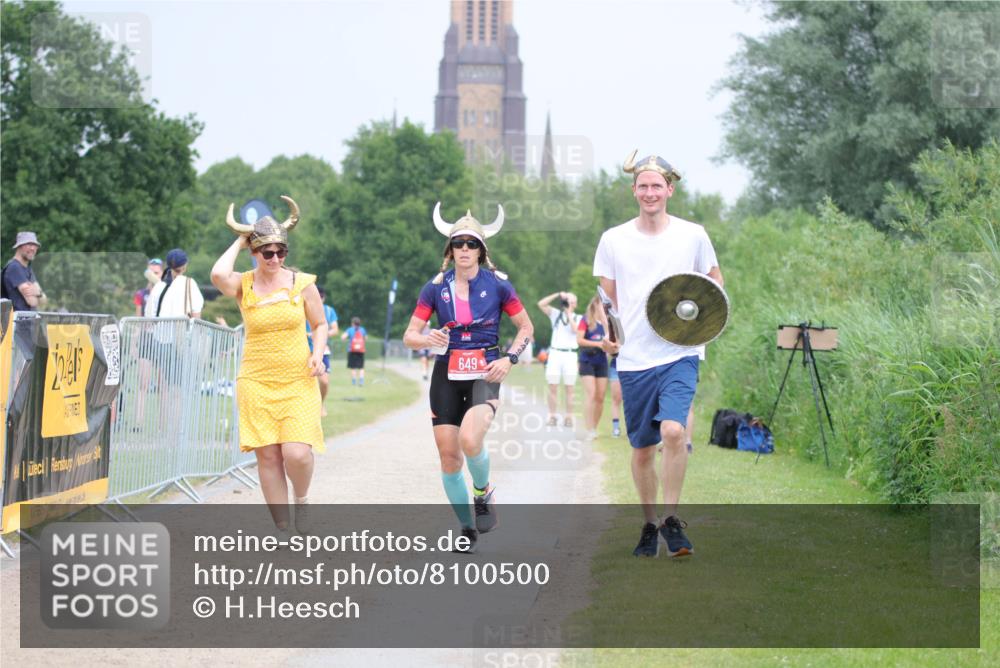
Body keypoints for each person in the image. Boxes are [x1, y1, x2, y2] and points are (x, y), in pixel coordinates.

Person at [593, 151, 723, 558]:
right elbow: (605, 301)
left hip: (680, 350)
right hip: (633, 359)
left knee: (674, 431)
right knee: (643, 448)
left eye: (657, 186)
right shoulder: (614, 239)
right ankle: (649, 524)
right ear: (635, 191)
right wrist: (609, 337)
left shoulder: (693, 235)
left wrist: (704, 324)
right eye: (643, 186)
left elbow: (714, 286)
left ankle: (671, 520)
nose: (650, 193)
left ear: (670, 189)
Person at [403, 203, 533, 553]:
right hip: (446, 373)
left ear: (481, 250)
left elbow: (526, 327)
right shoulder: (434, 288)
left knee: (471, 441)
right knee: (448, 457)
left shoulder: (499, 285)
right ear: (450, 250)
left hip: (485, 370)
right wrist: (426, 338)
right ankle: (466, 528)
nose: (464, 249)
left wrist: (510, 358)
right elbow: (410, 335)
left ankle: (482, 491)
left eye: (471, 243)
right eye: (458, 243)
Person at [212, 196, 326, 536]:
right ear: (254, 252)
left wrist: (317, 353)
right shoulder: (243, 284)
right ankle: (282, 530)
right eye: (267, 252)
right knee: (268, 458)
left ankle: (301, 499)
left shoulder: (302, 284)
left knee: (297, 454)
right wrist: (242, 236)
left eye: (281, 252)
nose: (275, 258)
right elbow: (218, 272)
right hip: (257, 381)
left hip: (297, 379)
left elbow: (319, 324)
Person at [537, 290, 580, 427]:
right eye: (567, 301)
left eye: (571, 301)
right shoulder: (556, 315)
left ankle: (569, 416)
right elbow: (541, 304)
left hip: (570, 354)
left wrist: (568, 313)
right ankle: (552, 415)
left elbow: (575, 330)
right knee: (553, 386)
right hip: (555, 353)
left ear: (575, 304)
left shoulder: (579, 318)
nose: (568, 304)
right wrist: (557, 295)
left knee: (570, 387)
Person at [576, 295, 609, 440]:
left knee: (600, 397)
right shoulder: (585, 320)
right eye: (602, 304)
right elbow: (579, 340)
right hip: (587, 360)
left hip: (601, 361)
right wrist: (597, 344)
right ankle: (589, 429)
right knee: (591, 393)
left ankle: (594, 428)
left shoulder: (606, 323)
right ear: (595, 304)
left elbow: (611, 339)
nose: (604, 307)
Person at [145, 249, 203, 320]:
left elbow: (149, 316)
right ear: (185, 266)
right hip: (182, 330)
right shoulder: (190, 284)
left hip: (160, 330)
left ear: (168, 265)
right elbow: (196, 316)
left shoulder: (158, 286)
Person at [307, 286, 339, 416]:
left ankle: (321, 404)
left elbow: (335, 329)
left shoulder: (329, 311)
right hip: (303, 349)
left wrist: (320, 334)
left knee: (324, 382)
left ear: (324, 298)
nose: (318, 300)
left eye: (321, 298)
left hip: (322, 350)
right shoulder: (303, 307)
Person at [1, 231, 46, 312]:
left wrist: (38, 294)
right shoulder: (14, 268)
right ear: (19, 246)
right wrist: (39, 295)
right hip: (15, 322)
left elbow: (44, 301)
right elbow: (32, 302)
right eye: (29, 244)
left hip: (27, 321)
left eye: (35, 245)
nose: (32, 248)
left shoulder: (28, 269)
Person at [340, 316, 367, 386]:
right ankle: (361, 381)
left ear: (353, 323)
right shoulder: (362, 330)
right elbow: (365, 339)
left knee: (353, 367)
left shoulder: (350, 329)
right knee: (361, 367)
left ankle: (354, 381)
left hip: (352, 350)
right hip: (361, 351)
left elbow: (343, 337)